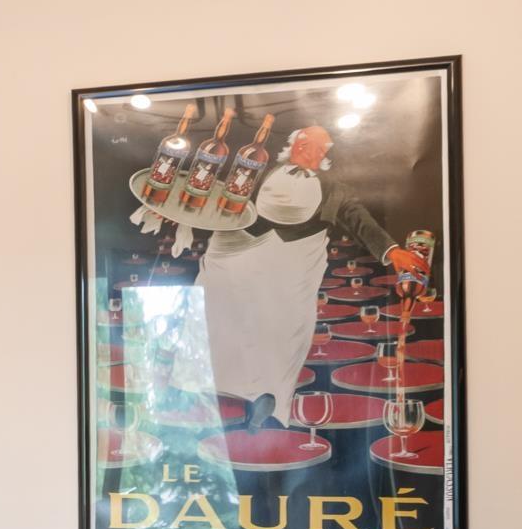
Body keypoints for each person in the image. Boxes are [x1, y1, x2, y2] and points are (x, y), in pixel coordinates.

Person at [176, 124, 427, 430]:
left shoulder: (334, 188)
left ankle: (266, 404)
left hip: (292, 262)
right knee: (216, 313)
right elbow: (220, 195)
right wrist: (181, 213)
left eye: (324, 149)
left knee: (283, 329)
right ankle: (197, 393)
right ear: (297, 144)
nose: (319, 153)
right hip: (237, 251)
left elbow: (358, 219)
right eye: (313, 146)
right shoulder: (257, 168)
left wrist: (391, 250)